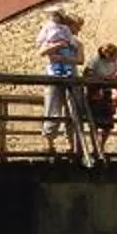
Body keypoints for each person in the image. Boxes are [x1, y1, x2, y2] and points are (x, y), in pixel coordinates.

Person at [37, 11, 83, 154]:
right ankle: (49, 143)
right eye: (77, 27)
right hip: (54, 76)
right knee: (52, 108)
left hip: (71, 75)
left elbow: (80, 60)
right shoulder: (53, 37)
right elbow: (42, 52)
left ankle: (73, 144)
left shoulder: (76, 42)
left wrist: (63, 59)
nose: (79, 30)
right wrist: (58, 46)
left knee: (73, 109)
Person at [83, 42, 117, 158]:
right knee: (94, 122)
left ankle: (101, 146)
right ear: (109, 54)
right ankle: (95, 147)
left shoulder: (114, 63)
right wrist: (98, 83)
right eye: (116, 55)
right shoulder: (95, 61)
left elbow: (113, 76)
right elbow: (87, 74)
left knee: (108, 124)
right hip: (94, 92)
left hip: (106, 92)